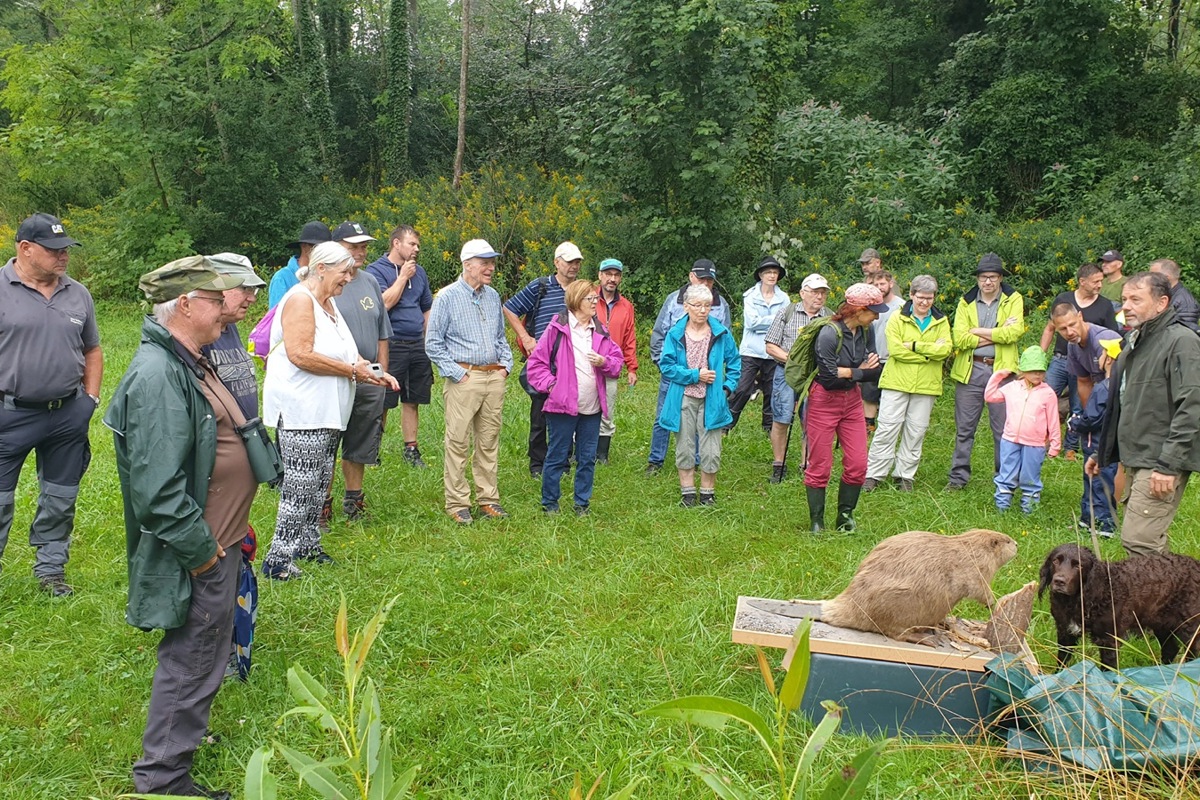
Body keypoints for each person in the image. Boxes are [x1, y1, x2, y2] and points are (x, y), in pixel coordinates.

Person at [104, 256, 248, 800]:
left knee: (203, 658)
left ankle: (176, 752)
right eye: (217, 302)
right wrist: (206, 556)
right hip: (198, 552)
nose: (227, 314)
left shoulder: (187, 359)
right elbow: (160, 493)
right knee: (190, 660)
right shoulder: (159, 374)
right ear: (184, 305)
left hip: (221, 537)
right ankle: (163, 780)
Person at [260, 242, 395, 580]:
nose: (349, 278)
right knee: (300, 486)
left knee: (319, 483)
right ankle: (278, 559)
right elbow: (300, 354)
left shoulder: (328, 302)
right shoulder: (300, 300)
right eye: (344, 272)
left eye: (351, 272)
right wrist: (353, 372)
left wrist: (372, 370)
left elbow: (348, 354)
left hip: (328, 412)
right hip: (302, 412)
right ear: (321, 268)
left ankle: (308, 544)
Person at [0, 213, 101, 597]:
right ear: (25, 249)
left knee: (60, 498)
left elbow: (92, 348)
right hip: (9, 413)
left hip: (66, 414)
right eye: (54, 250)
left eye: (66, 250)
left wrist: (89, 399)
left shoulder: (78, 293)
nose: (63, 257)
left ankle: (51, 572)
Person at [1089, 271, 1200, 556]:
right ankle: (1181, 596)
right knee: (1144, 542)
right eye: (1124, 299)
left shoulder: (1182, 341)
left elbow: (1193, 404)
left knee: (1140, 542)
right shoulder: (1133, 344)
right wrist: (1103, 454)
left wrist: (1168, 465)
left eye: (1136, 299)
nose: (1125, 306)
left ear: (1162, 303)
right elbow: (1123, 405)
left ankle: (1170, 598)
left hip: (1160, 458)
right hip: (1136, 456)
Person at [425, 239, 515, 524]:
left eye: (492, 262)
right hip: (465, 378)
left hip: (493, 376)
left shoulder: (492, 296)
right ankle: (457, 502)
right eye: (484, 262)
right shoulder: (447, 298)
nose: (491, 267)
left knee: (488, 440)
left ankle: (488, 499)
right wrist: (458, 373)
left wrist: (506, 367)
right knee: (458, 441)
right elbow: (433, 343)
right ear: (467, 264)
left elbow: (501, 338)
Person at [525, 280, 624, 514]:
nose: (595, 303)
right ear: (576, 301)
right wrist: (552, 386)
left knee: (587, 458)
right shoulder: (558, 327)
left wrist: (605, 362)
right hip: (562, 406)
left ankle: (582, 504)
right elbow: (536, 364)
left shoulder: (600, 329)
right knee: (557, 455)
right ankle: (550, 503)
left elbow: (617, 363)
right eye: (590, 299)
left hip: (592, 407)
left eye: (595, 299)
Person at [804, 283, 889, 532]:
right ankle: (817, 521)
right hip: (823, 400)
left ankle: (845, 517)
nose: (877, 315)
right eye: (873, 310)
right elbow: (829, 379)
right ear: (858, 309)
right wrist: (860, 370)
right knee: (820, 464)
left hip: (852, 400)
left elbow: (876, 372)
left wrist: (848, 372)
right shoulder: (829, 333)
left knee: (858, 464)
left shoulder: (867, 330)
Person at [327, 221, 393, 524]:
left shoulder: (369, 282)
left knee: (360, 440)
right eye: (354, 246)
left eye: (364, 246)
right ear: (336, 246)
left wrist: (381, 374)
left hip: (368, 378)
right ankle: (321, 504)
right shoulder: (323, 284)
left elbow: (382, 333)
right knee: (329, 440)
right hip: (333, 376)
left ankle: (353, 500)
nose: (361, 251)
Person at [862, 275, 952, 493]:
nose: (925, 302)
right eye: (920, 297)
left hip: (926, 385)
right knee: (887, 428)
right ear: (911, 295)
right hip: (896, 382)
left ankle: (904, 476)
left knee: (916, 431)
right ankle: (874, 474)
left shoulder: (941, 321)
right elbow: (895, 350)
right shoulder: (896, 318)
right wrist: (929, 353)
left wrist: (912, 345)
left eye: (929, 298)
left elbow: (945, 350)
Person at [657, 284, 740, 507]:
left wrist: (727, 388)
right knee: (684, 446)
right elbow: (667, 366)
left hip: (713, 398)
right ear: (686, 307)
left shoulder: (721, 333)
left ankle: (707, 493)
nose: (703, 310)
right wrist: (695, 375)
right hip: (683, 396)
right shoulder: (675, 333)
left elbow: (734, 362)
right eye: (697, 306)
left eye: (707, 306)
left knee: (711, 449)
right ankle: (687, 493)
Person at [947, 253, 1025, 490]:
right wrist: (995, 332)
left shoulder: (1013, 299)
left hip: (1002, 374)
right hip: (971, 371)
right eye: (983, 277)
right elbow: (959, 339)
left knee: (1003, 430)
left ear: (1000, 278)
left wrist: (977, 331)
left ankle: (1004, 479)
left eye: (992, 277)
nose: (987, 282)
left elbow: (1014, 333)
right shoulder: (965, 301)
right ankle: (958, 479)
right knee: (964, 429)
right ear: (978, 279)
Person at [503, 241, 581, 478]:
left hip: (571, 363)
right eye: (569, 262)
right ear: (557, 262)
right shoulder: (541, 287)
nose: (574, 266)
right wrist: (526, 338)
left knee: (566, 411)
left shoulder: (581, 290)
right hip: (543, 362)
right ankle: (537, 464)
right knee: (539, 412)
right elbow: (509, 308)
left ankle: (563, 461)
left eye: (577, 262)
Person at [646, 259, 731, 475]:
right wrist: (661, 363)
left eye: (709, 280)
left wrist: (725, 382)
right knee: (664, 415)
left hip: (708, 378)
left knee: (698, 418)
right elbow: (660, 332)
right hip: (676, 372)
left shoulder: (721, 305)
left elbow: (726, 341)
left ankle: (693, 460)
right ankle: (655, 460)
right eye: (701, 278)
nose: (705, 283)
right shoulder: (674, 299)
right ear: (691, 276)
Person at [365, 224, 434, 468]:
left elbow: (426, 307)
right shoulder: (375, 271)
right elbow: (383, 304)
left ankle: (411, 450)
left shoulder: (421, 272)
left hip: (417, 344)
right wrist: (403, 276)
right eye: (411, 244)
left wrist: (428, 340)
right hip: (390, 344)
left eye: (418, 245)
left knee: (412, 399)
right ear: (396, 243)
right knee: (382, 400)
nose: (416, 249)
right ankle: (372, 450)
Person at [1039, 262, 1119, 458]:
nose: (1069, 332)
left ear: (1080, 317)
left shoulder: (1105, 315)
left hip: (1107, 374)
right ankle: (1043, 440)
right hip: (1065, 360)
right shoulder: (1072, 341)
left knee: (1080, 404)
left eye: (1072, 325)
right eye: (1063, 329)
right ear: (1082, 282)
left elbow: (1117, 344)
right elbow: (1084, 383)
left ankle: (1072, 447)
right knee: (1046, 397)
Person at [764, 273, 832, 483]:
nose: (819, 297)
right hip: (785, 372)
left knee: (811, 420)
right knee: (781, 417)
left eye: (823, 293)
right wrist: (793, 361)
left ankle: (807, 464)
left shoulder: (830, 317)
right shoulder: (787, 312)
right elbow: (770, 345)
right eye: (815, 292)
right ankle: (778, 464)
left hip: (816, 377)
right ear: (803, 293)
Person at [984, 346, 1061, 513]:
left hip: (1035, 444)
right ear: (1023, 370)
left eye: (1040, 371)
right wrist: (998, 376)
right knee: (1006, 474)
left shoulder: (1048, 393)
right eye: (1033, 371)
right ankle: (1002, 508)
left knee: (1030, 477)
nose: (1037, 375)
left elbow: (1053, 420)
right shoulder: (1012, 387)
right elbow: (990, 396)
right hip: (1010, 440)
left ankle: (1029, 511)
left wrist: (1055, 444)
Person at [200, 253, 266, 421]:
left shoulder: (230, 326)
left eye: (253, 290)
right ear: (219, 284)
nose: (252, 298)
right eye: (245, 288)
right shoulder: (200, 333)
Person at [728, 256, 789, 432]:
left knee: (771, 391)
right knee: (742, 388)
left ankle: (769, 428)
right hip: (751, 351)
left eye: (775, 272)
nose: (772, 275)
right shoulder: (750, 296)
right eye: (768, 272)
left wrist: (768, 322)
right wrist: (776, 321)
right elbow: (751, 323)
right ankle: (726, 424)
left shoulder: (784, 298)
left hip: (774, 351)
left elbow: (785, 323)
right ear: (761, 275)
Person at [1068, 338, 1120, 535]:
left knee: (1098, 482)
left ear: (1108, 360)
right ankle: (1087, 519)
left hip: (1096, 443)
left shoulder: (1102, 388)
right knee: (1096, 480)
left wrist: (1075, 422)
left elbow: (1092, 419)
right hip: (1111, 444)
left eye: (1103, 353)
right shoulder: (1121, 387)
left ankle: (1105, 525)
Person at [593, 258, 638, 464]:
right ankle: (577, 451)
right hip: (587, 362)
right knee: (580, 405)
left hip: (611, 365)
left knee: (607, 408)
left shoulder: (626, 306)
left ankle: (602, 454)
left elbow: (629, 337)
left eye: (616, 275)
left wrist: (632, 367)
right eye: (608, 274)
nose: (612, 279)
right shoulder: (588, 297)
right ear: (600, 275)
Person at [860, 269, 904, 430]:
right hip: (872, 358)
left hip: (893, 359)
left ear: (891, 284)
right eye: (876, 284)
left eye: (882, 284)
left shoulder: (901, 306)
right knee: (869, 395)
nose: (880, 287)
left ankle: (888, 427)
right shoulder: (870, 306)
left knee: (891, 396)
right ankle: (868, 426)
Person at [268, 221, 331, 309]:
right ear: (303, 246)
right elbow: (276, 317)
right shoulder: (282, 278)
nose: (322, 251)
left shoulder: (327, 275)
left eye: (326, 248)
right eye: (316, 246)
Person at [1148, 258, 1200, 327]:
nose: (1150, 279)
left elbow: (1186, 332)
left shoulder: (1185, 303)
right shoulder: (1165, 294)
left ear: (1167, 278)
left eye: (1154, 276)